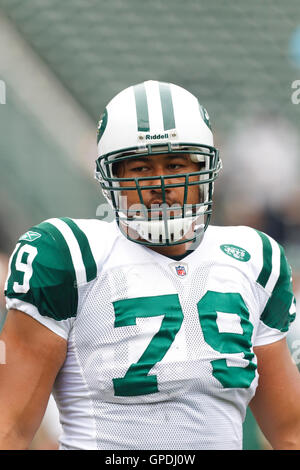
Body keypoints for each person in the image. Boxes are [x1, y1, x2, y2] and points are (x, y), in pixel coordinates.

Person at [0, 80, 299, 450]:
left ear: (206, 168)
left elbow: (290, 432)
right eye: (141, 168)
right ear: (112, 179)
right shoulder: (70, 255)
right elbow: (8, 427)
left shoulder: (254, 258)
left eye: (175, 164)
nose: (161, 182)